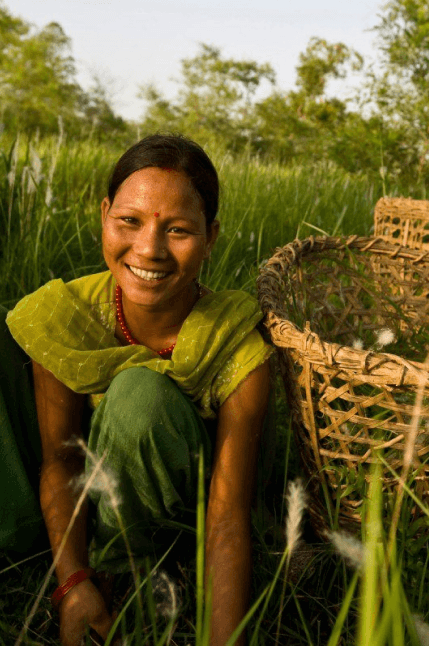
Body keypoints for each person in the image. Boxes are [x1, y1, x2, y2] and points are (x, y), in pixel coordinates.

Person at [1, 134, 272, 646]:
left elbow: (228, 516)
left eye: (179, 230)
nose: (149, 249)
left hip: (170, 527)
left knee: (138, 397)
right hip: (79, 503)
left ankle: (131, 572)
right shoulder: (65, 317)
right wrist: (72, 585)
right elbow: (60, 459)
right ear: (104, 214)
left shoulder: (236, 345)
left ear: (211, 237)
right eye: (130, 220)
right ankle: (50, 554)